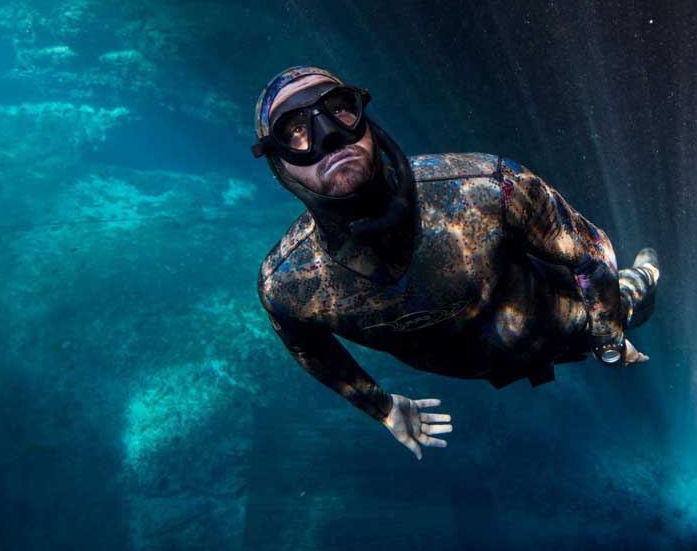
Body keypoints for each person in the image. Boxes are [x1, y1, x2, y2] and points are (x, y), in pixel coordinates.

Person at [253, 65, 660, 459]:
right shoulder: (288, 284)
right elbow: (310, 350)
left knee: (633, 306)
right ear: (278, 163)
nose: (329, 137)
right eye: (295, 130)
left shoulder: (488, 187)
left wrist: (608, 339)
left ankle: (647, 271)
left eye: (340, 109)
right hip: (486, 367)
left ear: (364, 115)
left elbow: (590, 255)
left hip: (571, 324)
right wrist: (384, 408)